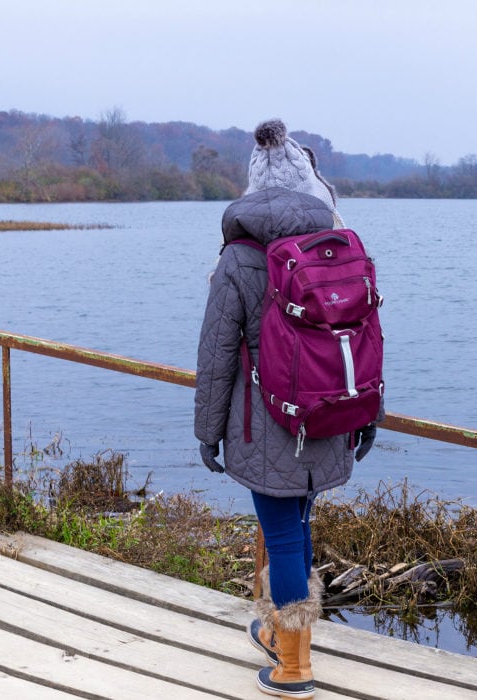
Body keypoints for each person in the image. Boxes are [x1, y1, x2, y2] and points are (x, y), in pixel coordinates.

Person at [194, 118, 377, 698]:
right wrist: (369, 417)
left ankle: (293, 666)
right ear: (313, 190)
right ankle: (278, 630)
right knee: (296, 527)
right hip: (332, 420)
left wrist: (207, 432)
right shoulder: (339, 249)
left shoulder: (240, 258)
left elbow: (218, 354)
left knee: (284, 535)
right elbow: (367, 340)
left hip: (265, 426)